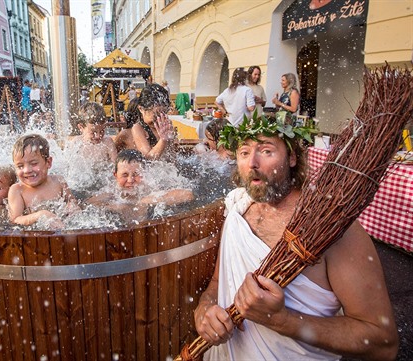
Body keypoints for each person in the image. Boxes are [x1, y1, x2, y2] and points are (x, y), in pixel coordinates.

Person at [193, 120, 398, 360]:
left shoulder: (332, 228)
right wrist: (203, 308)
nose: (252, 163)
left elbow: (382, 342)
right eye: (244, 152)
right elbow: (218, 281)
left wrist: (283, 321)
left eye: (266, 151)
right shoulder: (238, 208)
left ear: (292, 158)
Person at [87, 149, 194, 219]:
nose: (130, 180)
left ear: (144, 174)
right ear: (115, 175)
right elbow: (87, 204)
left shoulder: (150, 189)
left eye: (136, 174)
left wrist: (144, 202)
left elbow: (188, 195)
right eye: (124, 175)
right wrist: (118, 207)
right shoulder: (111, 192)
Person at [7, 134, 77, 227]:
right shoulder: (17, 190)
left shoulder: (59, 181)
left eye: (33, 163)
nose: (27, 170)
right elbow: (15, 220)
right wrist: (40, 215)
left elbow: (72, 201)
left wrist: (72, 206)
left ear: (48, 162)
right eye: (20, 166)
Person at [131, 83, 175, 160]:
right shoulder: (138, 129)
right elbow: (147, 159)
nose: (159, 120)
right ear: (141, 109)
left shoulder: (165, 124)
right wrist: (163, 140)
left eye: (163, 114)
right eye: (155, 116)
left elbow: (172, 156)